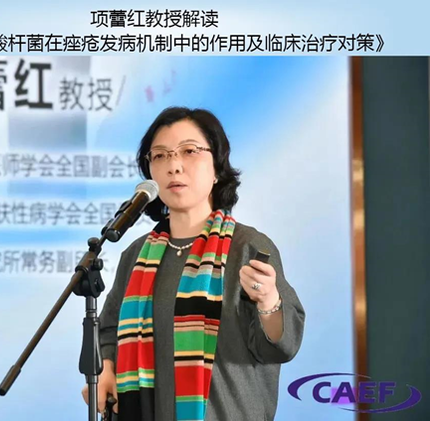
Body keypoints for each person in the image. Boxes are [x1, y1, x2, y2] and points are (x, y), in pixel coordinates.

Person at [81, 106, 305, 421]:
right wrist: (107, 368)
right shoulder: (136, 255)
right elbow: (108, 328)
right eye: (160, 156)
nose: (174, 166)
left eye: (189, 151)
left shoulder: (247, 247)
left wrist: (269, 301)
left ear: (217, 169)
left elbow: (280, 346)